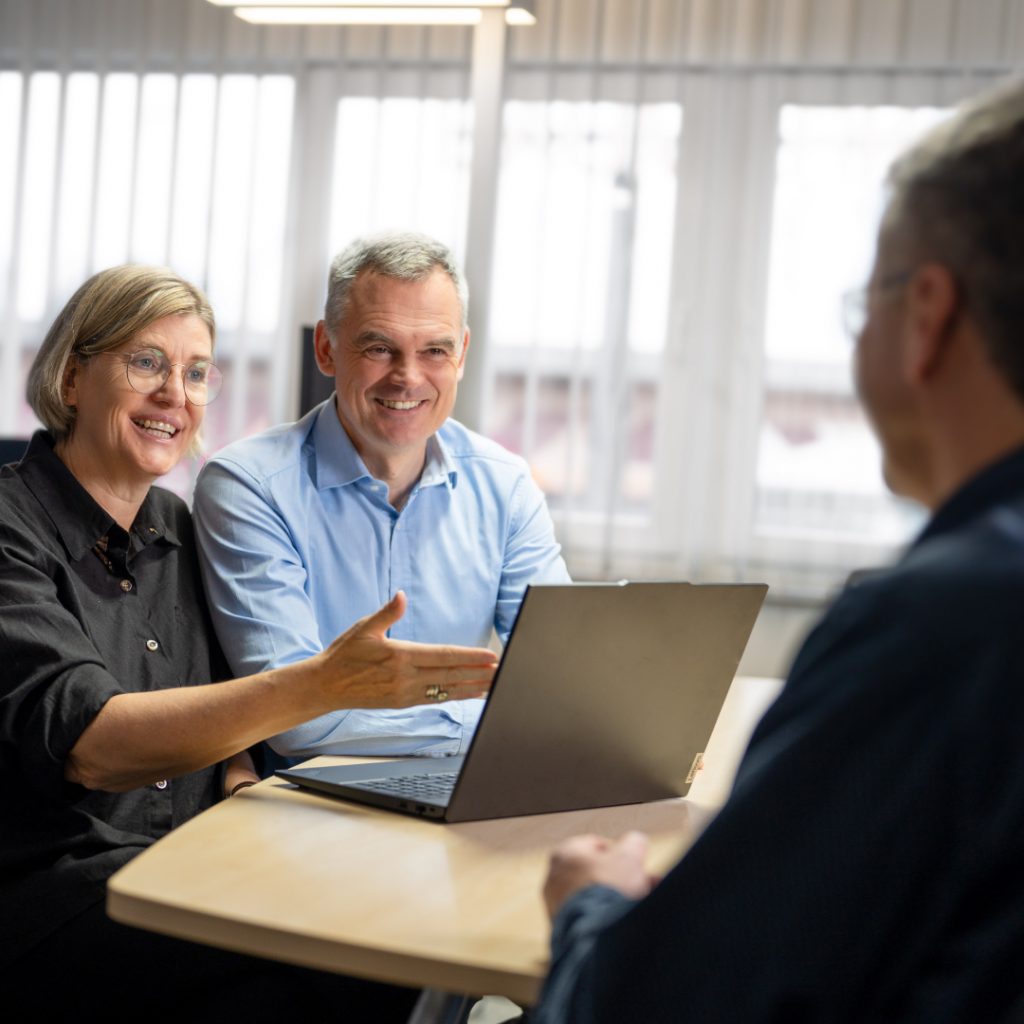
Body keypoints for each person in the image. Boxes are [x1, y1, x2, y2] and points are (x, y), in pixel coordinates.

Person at [532, 78, 1024, 1022]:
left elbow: (653, 1004)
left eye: (864, 303)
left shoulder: (938, 628)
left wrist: (589, 908)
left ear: (927, 316)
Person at [0, 264, 498, 1019]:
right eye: (146, 363)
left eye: (196, 372)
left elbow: (224, 717)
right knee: (363, 963)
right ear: (71, 378)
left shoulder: (176, 525)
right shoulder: (12, 528)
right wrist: (323, 683)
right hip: (53, 891)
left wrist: (251, 799)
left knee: (409, 924)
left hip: (191, 859)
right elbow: (94, 747)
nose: (175, 394)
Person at [192, 232, 569, 762]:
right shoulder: (249, 486)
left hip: (461, 791)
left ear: (461, 353)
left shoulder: (505, 486)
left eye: (434, 350)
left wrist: (537, 718)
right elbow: (293, 720)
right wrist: (504, 722)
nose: (407, 377)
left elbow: (563, 683)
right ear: (326, 349)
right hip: (304, 800)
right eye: (379, 348)